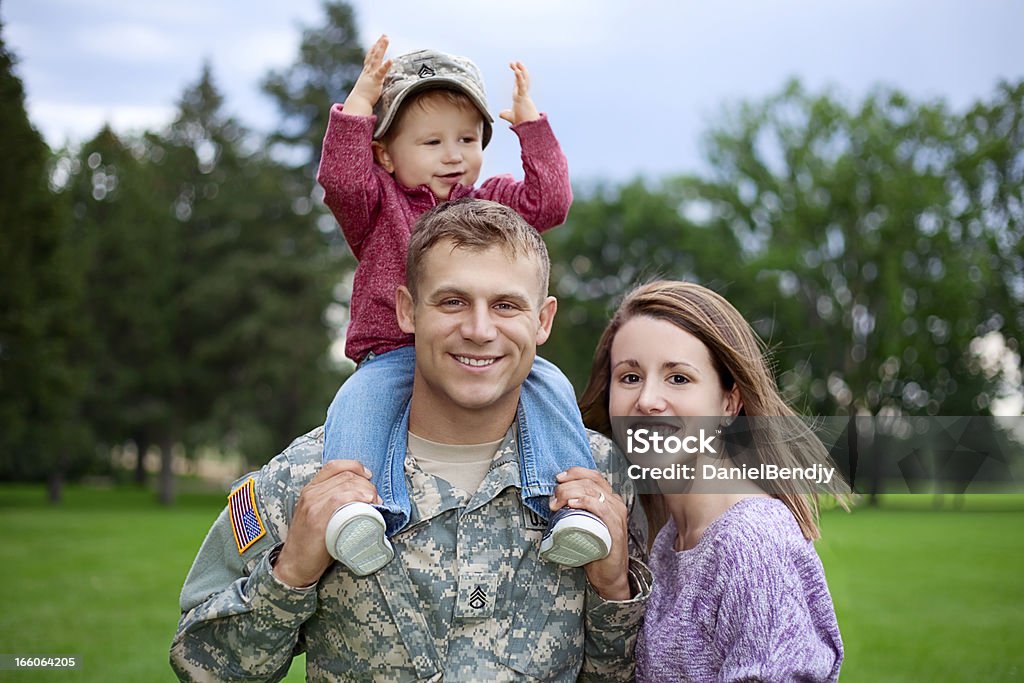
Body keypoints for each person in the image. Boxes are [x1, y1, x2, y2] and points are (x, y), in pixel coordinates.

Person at [169, 199, 652, 682]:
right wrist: (290, 572)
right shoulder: (310, 476)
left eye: (505, 305)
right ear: (407, 310)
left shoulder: (601, 479)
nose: (479, 330)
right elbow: (200, 667)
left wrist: (613, 591)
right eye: (452, 302)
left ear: (543, 320)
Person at [316, 35, 610, 575]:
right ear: (384, 152)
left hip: (485, 357)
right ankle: (357, 510)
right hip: (389, 352)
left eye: (468, 139)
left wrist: (532, 127)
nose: (454, 156)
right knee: (358, 404)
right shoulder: (378, 203)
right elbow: (339, 179)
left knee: (550, 387)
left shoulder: (490, 202)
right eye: (431, 143)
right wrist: (360, 103)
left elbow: (550, 202)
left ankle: (571, 505)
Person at [578, 280, 847, 682]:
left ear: (729, 402)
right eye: (630, 377)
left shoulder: (751, 541)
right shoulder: (668, 539)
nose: (648, 400)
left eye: (679, 378)